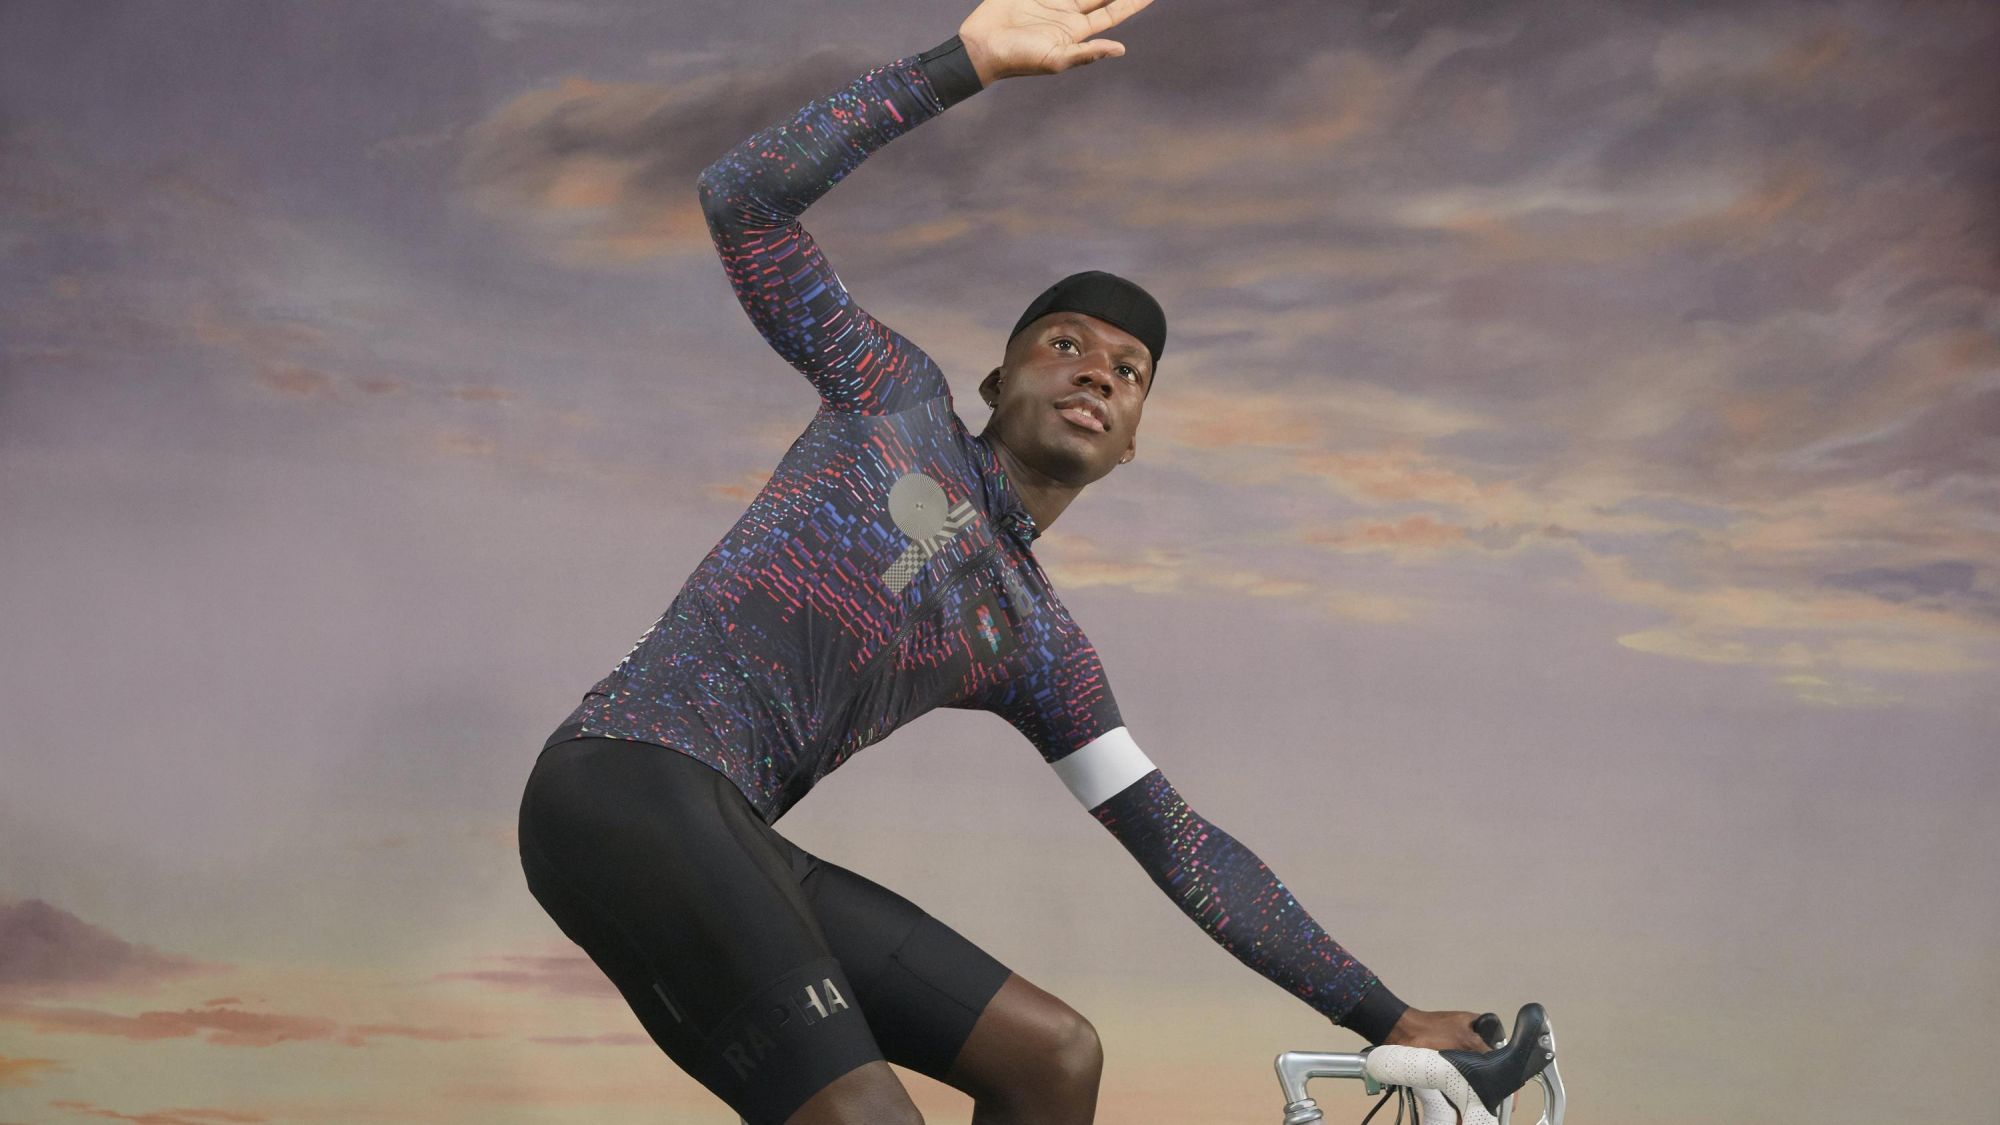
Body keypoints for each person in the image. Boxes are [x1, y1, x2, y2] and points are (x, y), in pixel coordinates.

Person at [517, 2, 1494, 1122]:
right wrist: (962, 64)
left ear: (1130, 444)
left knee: (1054, 1058)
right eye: (1064, 344)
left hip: (731, 832)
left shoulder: (1034, 643)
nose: (1096, 372)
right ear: (997, 382)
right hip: (622, 781)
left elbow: (1180, 845)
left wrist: (1385, 1017)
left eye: (1128, 372)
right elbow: (741, 201)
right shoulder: (893, 403)